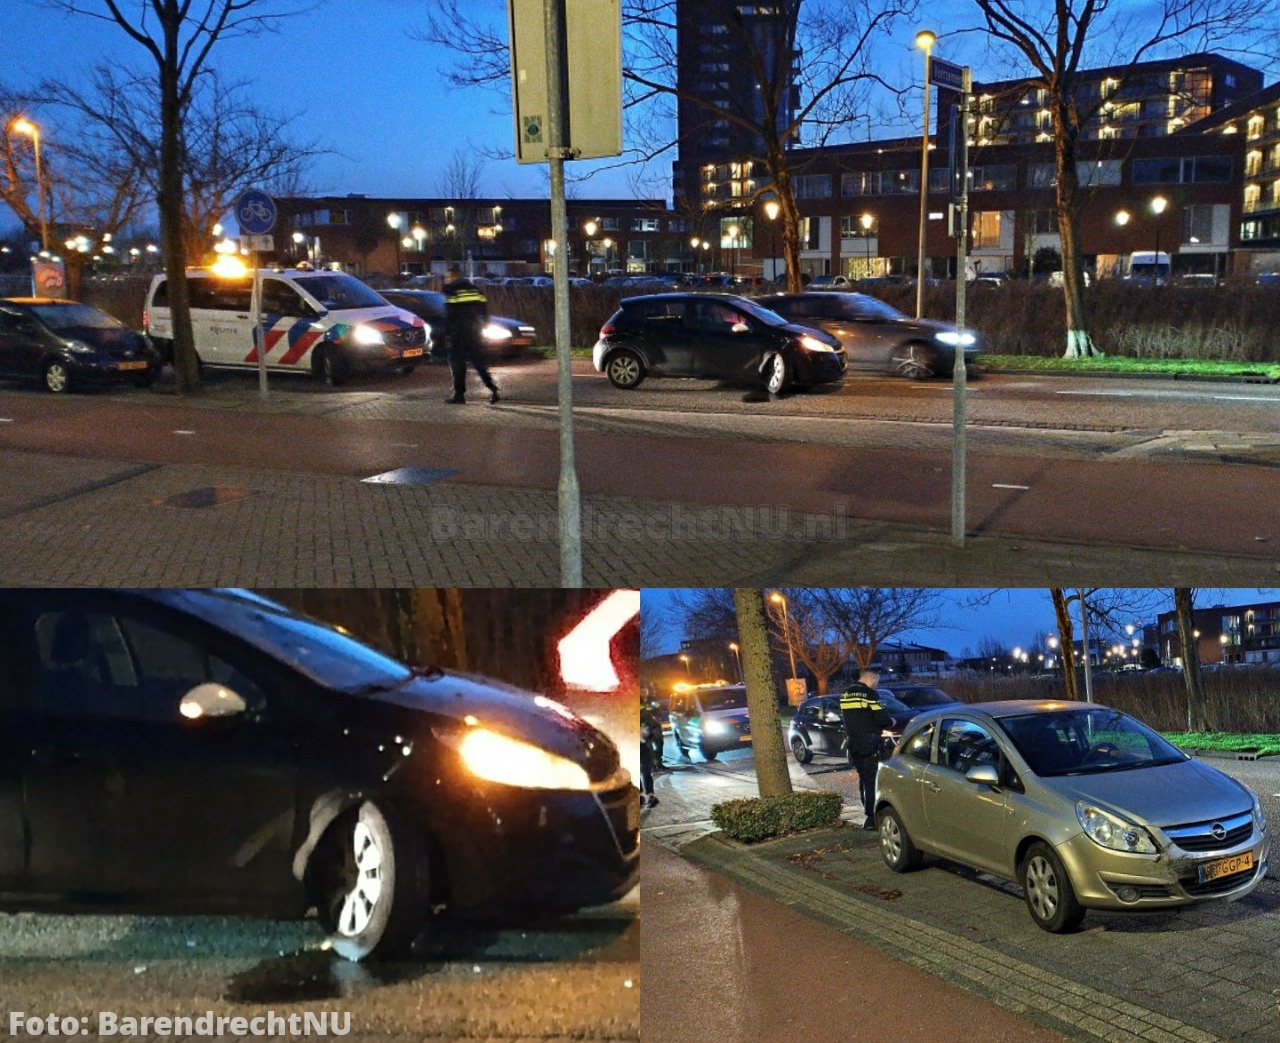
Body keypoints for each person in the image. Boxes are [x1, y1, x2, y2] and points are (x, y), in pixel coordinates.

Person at [839, 667, 891, 829]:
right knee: (872, 780)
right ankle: (871, 818)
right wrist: (890, 723)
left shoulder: (845, 694)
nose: (876, 684)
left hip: (853, 743)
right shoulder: (869, 695)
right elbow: (883, 718)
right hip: (869, 743)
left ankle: (867, 811)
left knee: (863, 778)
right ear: (872, 678)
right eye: (877, 681)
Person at [442, 262, 499, 405]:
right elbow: (484, 310)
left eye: (447, 277)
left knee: (457, 364)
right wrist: (483, 326)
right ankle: (493, 389)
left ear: (453, 276)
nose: (446, 279)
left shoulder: (453, 292)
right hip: (474, 332)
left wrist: (447, 334)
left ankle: (459, 395)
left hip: (459, 334)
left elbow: (451, 316)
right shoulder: (475, 290)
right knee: (479, 363)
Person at [641, 697, 666, 768]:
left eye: (645, 691)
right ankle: (652, 765)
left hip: (655, 726)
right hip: (644, 726)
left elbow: (659, 710)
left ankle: (659, 762)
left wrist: (657, 717)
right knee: (648, 747)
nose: (644, 693)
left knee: (659, 744)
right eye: (642, 691)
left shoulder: (652, 701)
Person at [640, 719, 659, 807]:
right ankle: (641, 797)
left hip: (643, 748)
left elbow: (653, 729)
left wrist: (647, 734)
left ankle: (650, 796)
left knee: (646, 773)